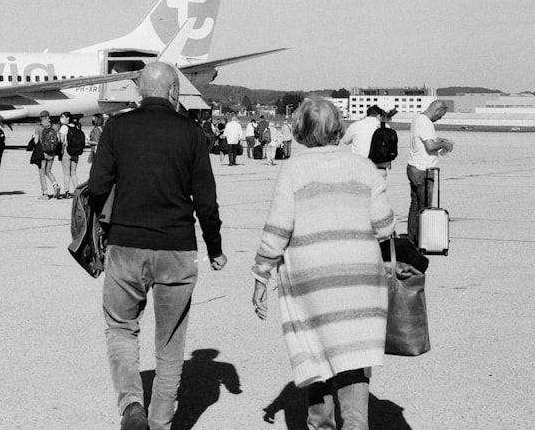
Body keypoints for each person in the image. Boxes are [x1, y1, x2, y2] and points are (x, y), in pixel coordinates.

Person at [88, 62, 226, 430]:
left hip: (126, 245)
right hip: (177, 249)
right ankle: (161, 421)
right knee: (170, 343)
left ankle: (132, 406)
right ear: (174, 93)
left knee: (121, 328)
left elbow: (98, 186)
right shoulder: (193, 134)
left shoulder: (117, 127)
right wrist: (215, 247)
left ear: (138, 92)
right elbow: (206, 201)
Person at [252, 97, 395, 430]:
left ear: (300, 130)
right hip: (359, 282)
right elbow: (384, 225)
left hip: (311, 283)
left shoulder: (294, 169)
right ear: (337, 128)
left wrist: (260, 274)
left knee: (315, 351)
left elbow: (277, 228)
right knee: (354, 357)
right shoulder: (364, 167)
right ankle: (356, 425)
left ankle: (321, 423)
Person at [407, 100, 454, 245]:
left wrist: (439, 140)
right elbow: (430, 146)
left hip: (413, 166)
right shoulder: (426, 123)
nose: (440, 118)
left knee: (415, 206)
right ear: (437, 110)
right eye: (441, 115)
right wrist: (444, 144)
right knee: (425, 208)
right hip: (423, 169)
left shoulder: (417, 119)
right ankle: (424, 241)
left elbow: (426, 140)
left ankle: (412, 240)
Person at [35, 110, 60, 199]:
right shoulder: (55, 126)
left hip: (43, 152)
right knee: (48, 171)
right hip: (52, 152)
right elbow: (58, 139)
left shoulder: (38, 127)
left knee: (42, 172)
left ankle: (45, 193)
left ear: (40, 117)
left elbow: (36, 141)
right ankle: (55, 185)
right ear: (48, 117)